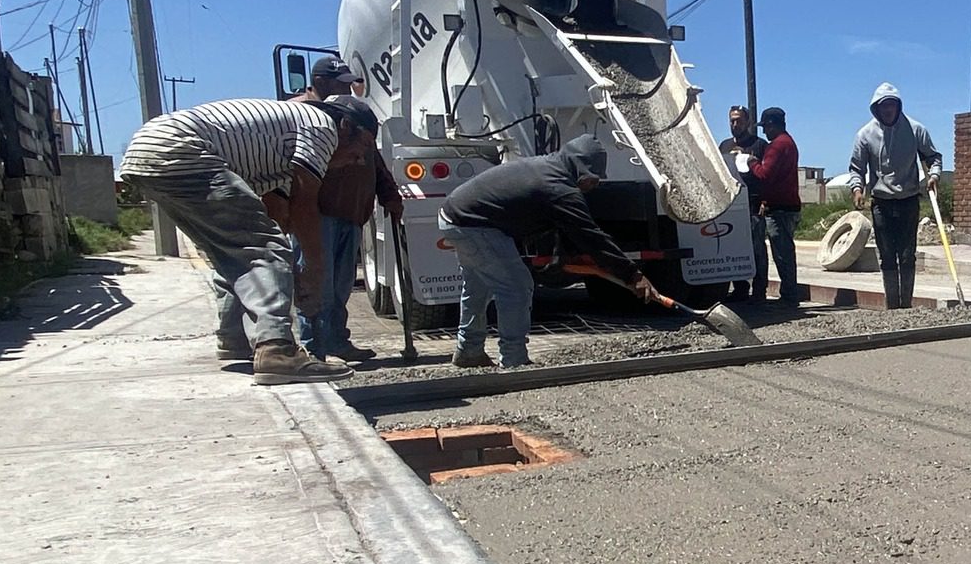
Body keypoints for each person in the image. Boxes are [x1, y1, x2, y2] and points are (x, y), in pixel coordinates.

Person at [119, 95, 382, 383]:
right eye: (364, 146)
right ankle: (276, 351)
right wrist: (314, 272)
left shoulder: (278, 155)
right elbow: (306, 206)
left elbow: (279, 216)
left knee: (237, 252)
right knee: (265, 251)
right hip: (181, 148)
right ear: (345, 126)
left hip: (151, 151)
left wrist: (295, 278)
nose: (359, 160)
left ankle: (235, 339)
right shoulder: (321, 128)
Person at [436, 135, 660, 368]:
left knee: (477, 286)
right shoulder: (559, 188)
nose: (594, 185)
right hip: (474, 225)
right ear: (581, 169)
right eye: (593, 178)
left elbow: (553, 223)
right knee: (516, 286)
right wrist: (633, 275)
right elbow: (592, 238)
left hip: (455, 214)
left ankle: (469, 351)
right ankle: (514, 360)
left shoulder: (548, 166)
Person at [288, 56, 404, 361]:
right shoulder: (302, 113)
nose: (346, 90)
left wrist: (389, 194)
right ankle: (314, 349)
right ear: (321, 82)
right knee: (317, 282)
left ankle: (337, 340)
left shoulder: (351, 116)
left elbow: (373, 160)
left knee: (339, 288)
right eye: (340, 84)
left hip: (351, 214)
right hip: (317, 215)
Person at [848, 83, 941, 309]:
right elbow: (856, 168)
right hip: (881, 202)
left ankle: (906, 304)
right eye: (884, 106)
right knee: (887, 255)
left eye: (892, 105)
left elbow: (933, 157)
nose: (888, 110)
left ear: (898, 106)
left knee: (907, 255)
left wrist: (934, 175)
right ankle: (893, 305)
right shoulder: (865, 134)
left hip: (908, 199)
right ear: (876, 109)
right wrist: (857, 189)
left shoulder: (915, 129)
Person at [746, 106, 802, 301]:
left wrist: (751, 162)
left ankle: (789, 295)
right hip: (786, 206)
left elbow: (765, 174)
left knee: (782, 254)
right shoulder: (789, 143)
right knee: (784, 251)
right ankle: (789, 292)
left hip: (780, 209)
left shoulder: (777, 146)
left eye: (765, 127)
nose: (763, 131)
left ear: (772, 125)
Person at [719, 105, 770, 301]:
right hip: (731, 206)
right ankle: (740, 289)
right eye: (732, 120)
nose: (735, 124)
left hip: (753, 205)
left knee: (757, 249)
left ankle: (759, 290)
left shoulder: (759, 145)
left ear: (747, 122)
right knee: (734, 248)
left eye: (739, 120)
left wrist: (765, 201)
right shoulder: (724, 146)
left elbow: (767, 176)